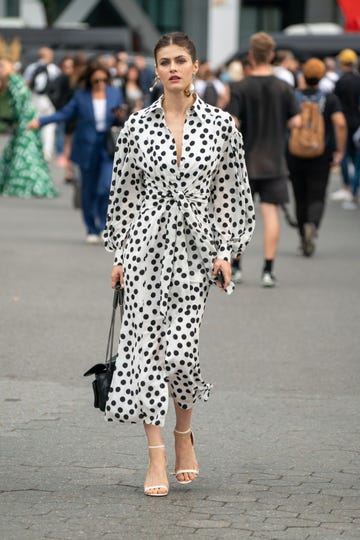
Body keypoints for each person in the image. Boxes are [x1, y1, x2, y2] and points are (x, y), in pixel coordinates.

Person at [103, 32, 255, 497]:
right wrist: (119, 256)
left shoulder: (221, 125)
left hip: (195, 248)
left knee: (181, 352)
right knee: (145, 352)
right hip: (145, 247)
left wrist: (226, 250)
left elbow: (232, 192)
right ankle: (157, 458)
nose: (172, 67)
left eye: (180, 60)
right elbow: (123, 196)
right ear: (155, 69)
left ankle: (184, 433)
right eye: (164, 61)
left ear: (195, 66)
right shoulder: (137, 126)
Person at [226, 32, 301, 287]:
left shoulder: (240, 87)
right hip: (274, 160)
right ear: (271, 55)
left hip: (245, 161)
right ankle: (268, 270)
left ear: (251, 55)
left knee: (239, 216)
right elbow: (297, 121)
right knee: (271, 215)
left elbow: (232, 122)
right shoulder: (284, 87)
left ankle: (236, 266)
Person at [28, 62, 124, 243]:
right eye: (96, 80)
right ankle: (91, 228)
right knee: (88, 190)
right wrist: (41, 121)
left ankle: (104, 225)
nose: (101, 83)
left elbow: (122, 117)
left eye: (104, 80)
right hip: (87, 148)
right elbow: (64, 114)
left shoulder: (114, 93)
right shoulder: (81, 97)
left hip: (108, 147)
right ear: (89, 80)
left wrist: (121, 115)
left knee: (106, 188)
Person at [286, 58, 347, 256]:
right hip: (322, 154)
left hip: (294, 154)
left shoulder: (293, 97)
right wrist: (339, 149)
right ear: (321, 77)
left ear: (303, 75)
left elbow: (286, 123)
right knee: (317, 193)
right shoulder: (330, 99)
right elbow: (340, 123)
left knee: (299, 194)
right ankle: (312, 224)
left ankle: (303, 233)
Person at [0, 58, 57, 198]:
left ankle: (26, 182)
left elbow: (21, 103)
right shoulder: (14, 81)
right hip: (24, 120)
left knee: (24, 152)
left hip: (26, 121)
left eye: (2, 66)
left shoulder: (14, 81)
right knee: (21, 151)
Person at [23, 47, 61, 161]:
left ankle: (32, 148)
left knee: (33, 122)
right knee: (49, 125)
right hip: (48, 100)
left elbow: (26, 83)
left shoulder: (31, 67)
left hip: (34, 99)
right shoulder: (54, 69)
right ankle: (47, 151)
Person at [333, 49, 360, 209]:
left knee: (342, 153)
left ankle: (347, 186)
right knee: (357, 159)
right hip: (357, 123)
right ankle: (353, 191)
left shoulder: (340, 81)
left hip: (343, 122)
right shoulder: (358, 79)